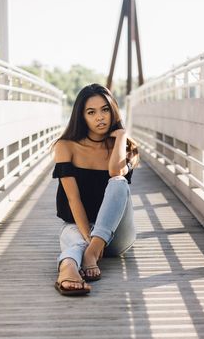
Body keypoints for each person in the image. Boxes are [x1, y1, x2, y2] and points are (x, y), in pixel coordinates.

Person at [52, 83, 139, 296]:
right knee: (74, 239)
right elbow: (73, 200)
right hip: (80, 227)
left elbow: (115, 172)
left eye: (105, 109)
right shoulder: (66, 146)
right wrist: (89, 240)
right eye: (91, 112)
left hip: (117, 235)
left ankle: (88, 255)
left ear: (113, 111)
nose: (100, 117)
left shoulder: (127, 147)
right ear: (81, 117)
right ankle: (68, 268)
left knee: (118, 181)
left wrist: (120, 137)